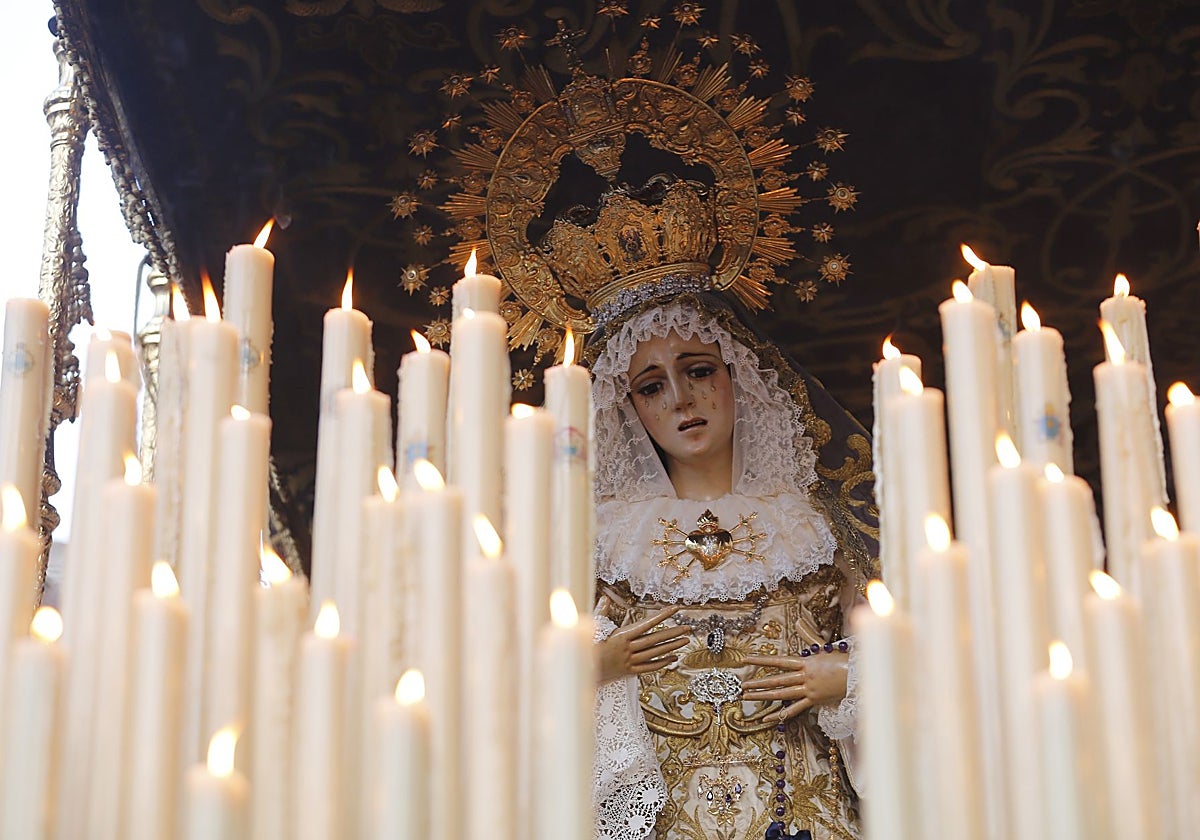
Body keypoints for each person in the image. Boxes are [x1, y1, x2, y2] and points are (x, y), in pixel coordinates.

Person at [587, 291, 877, 840]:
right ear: (630, 407)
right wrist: (591, 667)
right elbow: (504, 683)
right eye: (651, 386)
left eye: (698, 371)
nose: (679, 398)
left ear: (739, 376)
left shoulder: (818, 527)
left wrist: (850, 677)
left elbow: (923, 656)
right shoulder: (600, 541)